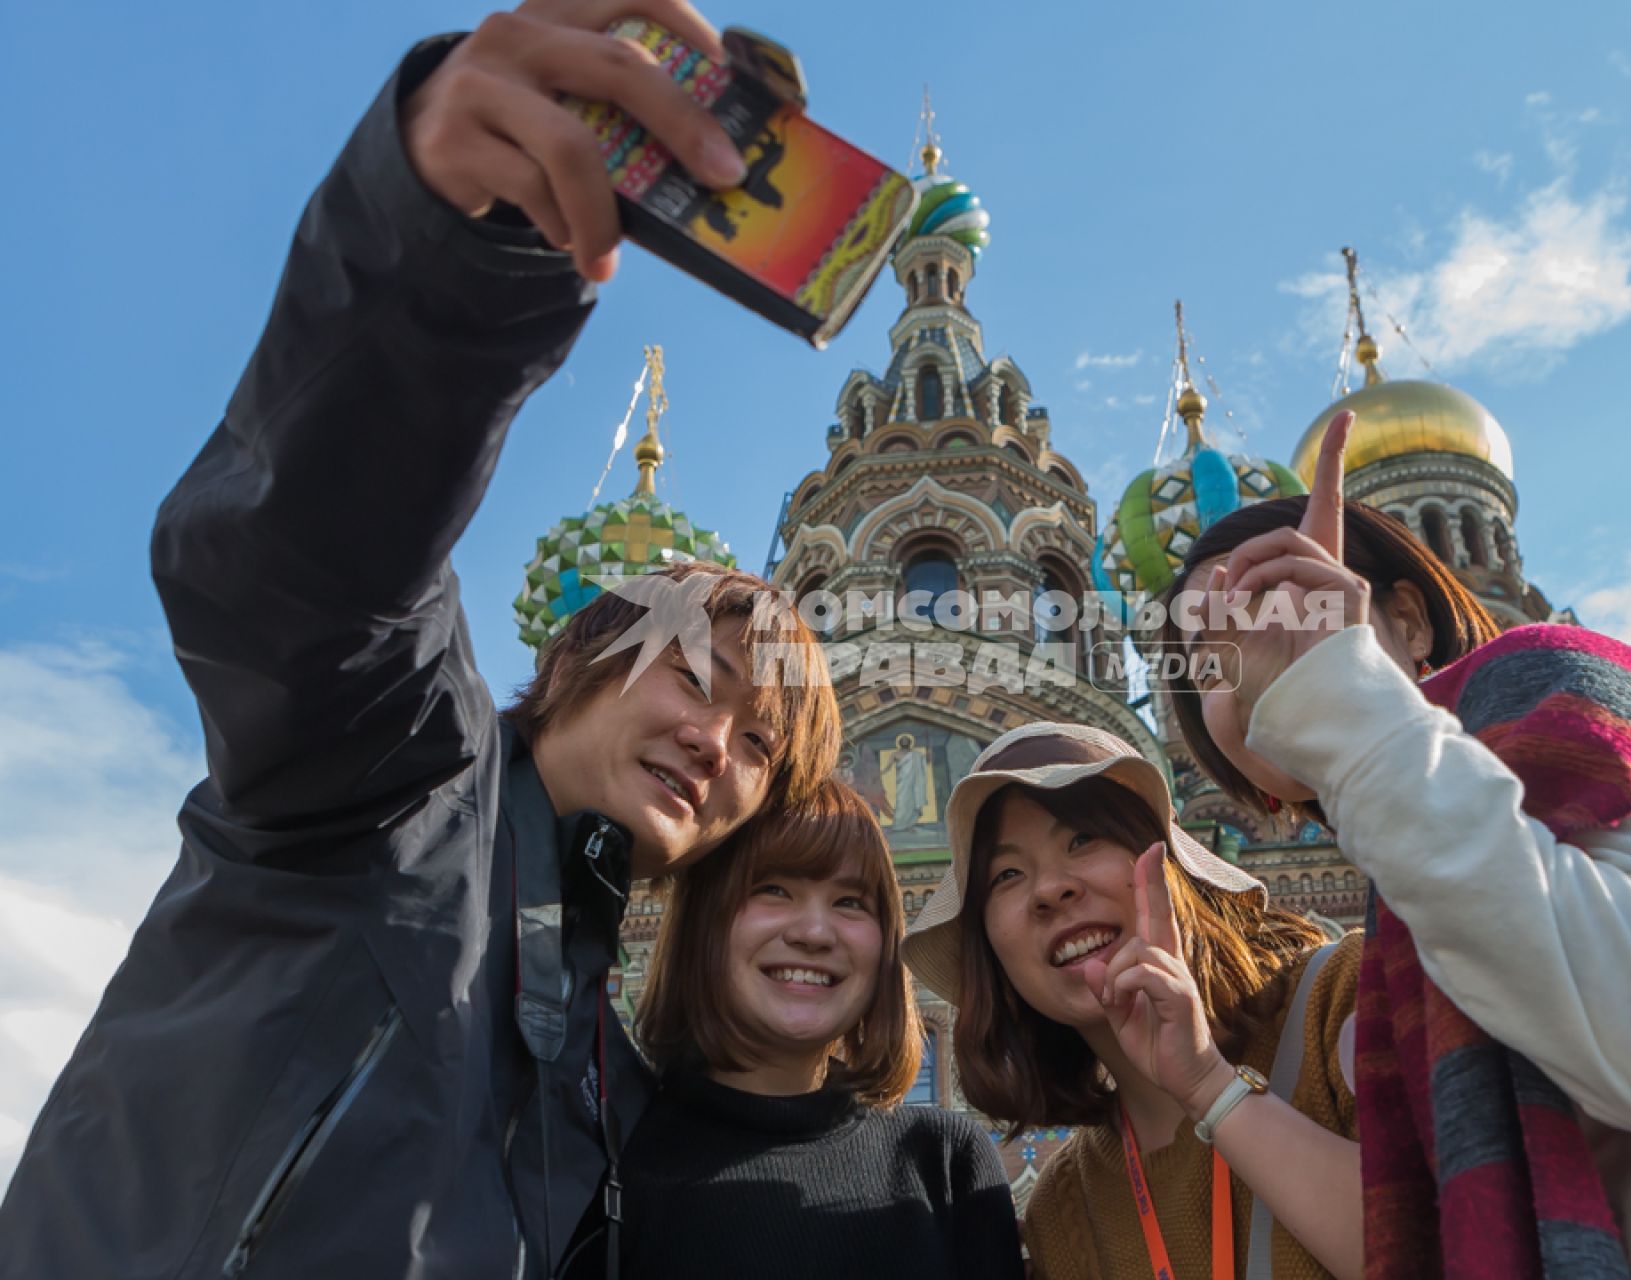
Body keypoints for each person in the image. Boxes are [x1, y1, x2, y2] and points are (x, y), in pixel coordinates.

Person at [0, 4, 843, 1276]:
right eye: (691, 670)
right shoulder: (391, 777)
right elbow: (308, 559)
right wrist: (457, 249)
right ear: (573, 660)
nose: (712, 739)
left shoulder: (605, 1075)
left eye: (761, 747)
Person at [1162, 410, 1631, 1278]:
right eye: (1211, 665)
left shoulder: (1546, 682)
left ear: (1407, 618)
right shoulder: (1405, 862)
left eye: (1275, 605)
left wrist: (1339, 702)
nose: (1257, 654)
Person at [904, 723, 1367, 1280]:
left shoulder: (1344, 1001)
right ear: (993, 957)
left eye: (1082, 839)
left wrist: (1209, 1087)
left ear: (1174, 864)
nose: (1050, 889)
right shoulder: (1068, 1205)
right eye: (1006, 875)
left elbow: (1461, 1243)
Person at [561, 778, 1024, 1279]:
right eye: (773, 890)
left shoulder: (948, 1166)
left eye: (851, 902)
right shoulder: (608, 1168)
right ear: (702, 925)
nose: (813, 933)